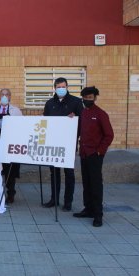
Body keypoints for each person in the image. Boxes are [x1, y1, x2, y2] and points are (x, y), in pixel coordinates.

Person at [73, 86, 114, 227]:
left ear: (95, 98)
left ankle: (98, 215)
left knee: (96, 184)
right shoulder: (83, 113)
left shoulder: (101, 114)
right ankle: (88, 209)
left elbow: (109, 135)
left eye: (90, 98)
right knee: (86, 183)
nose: (87, 100)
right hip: (84, 153)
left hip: (95, 155)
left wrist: (100, 151)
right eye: (85, 98)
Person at [43, 77, 83, 211]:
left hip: (68, 144)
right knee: (54, 173)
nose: (61, 89)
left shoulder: (76, 102)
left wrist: (74, 121)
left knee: (69, 174)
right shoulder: (49, 103)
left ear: (67, 87)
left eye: (63, 86)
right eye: (58, 87)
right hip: (52, 144)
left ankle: (68, 202)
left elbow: (82, 122)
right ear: (54, 88)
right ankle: (54, 199)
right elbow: (45, 122)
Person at [0, 88, 22, 204]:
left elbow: (22, 128)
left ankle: (10, 194)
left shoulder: (16, 111)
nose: (5, 96)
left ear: (10, 97)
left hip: (10, 146)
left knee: (10, 172)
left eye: (7, 94)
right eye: (2, 94)